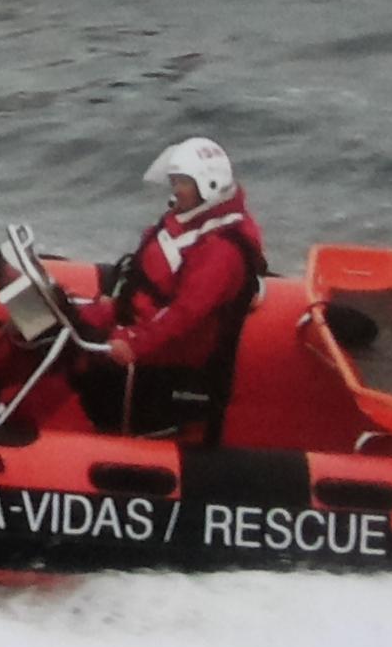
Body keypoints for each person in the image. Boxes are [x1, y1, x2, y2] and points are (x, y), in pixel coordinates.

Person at [70, 135, 269, 435]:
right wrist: (115, 301)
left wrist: (132, 341)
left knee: (80, 353)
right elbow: (144, 268)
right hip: (139, 317)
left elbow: (184, 313)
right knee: (63, 323)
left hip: (171, 355)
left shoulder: (221, 250)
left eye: (182, 182)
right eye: (174, 181)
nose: (175, 189)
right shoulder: (191, 219)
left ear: (208, 185)